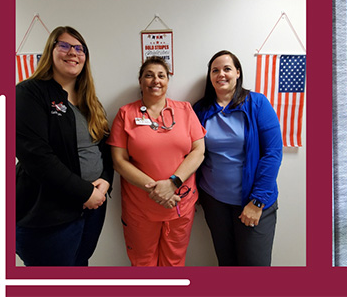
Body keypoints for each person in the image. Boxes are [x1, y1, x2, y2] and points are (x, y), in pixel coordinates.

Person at [15, 26, 112, 266]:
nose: (73, 53)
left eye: (79, 49)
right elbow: (36, 156)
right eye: (65, 45)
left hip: (92, 207)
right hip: (49, 214)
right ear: (51, 50)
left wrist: (106, 179)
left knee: (80, 265)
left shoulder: (90, 100)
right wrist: (85, 192)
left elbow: (104, 146)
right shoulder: (29, 92)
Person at [108, 57, 205, 266]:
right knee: (143, 263)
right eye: (149, 75)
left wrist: (172, 184)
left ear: (168, 80)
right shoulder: (126, 114)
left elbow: (199, 151)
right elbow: (118, 161)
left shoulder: (185, 110)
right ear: (140, 81)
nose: (155, 80)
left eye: (161, 75)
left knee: (175, 261)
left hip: (180, 203)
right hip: (140, 207)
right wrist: (157, 190)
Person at [193, 51, 283, 266]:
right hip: (215, 203)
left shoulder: (257, 103)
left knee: (254, 269)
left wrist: (257, 201)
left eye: (227, 69)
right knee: (227, 265)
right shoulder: (200, 109)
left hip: (253, 203)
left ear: (238, 72)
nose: (221, 74)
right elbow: (190, 152)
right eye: (215, 70)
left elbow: (273, 153)